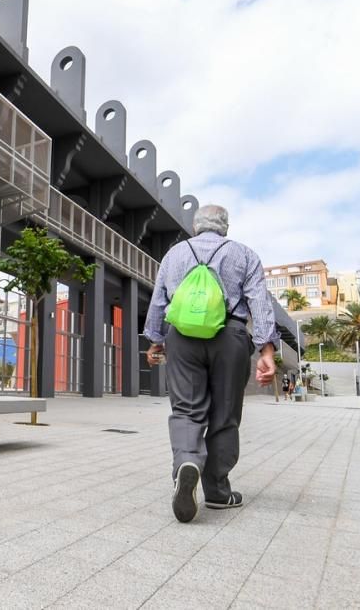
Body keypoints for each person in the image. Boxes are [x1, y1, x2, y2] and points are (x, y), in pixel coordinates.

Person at [143, 204, 280, 523]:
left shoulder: (174, 255)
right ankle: (217, 491)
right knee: (225, 413)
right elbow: (260, 304)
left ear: (195, 226)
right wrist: (266, 352)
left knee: (187, 410)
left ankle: (187, 462)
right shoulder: (245, 254)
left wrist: (155, 340)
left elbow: (159, 302)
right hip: (230, 336)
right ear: (225, 227)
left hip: (182, 337)